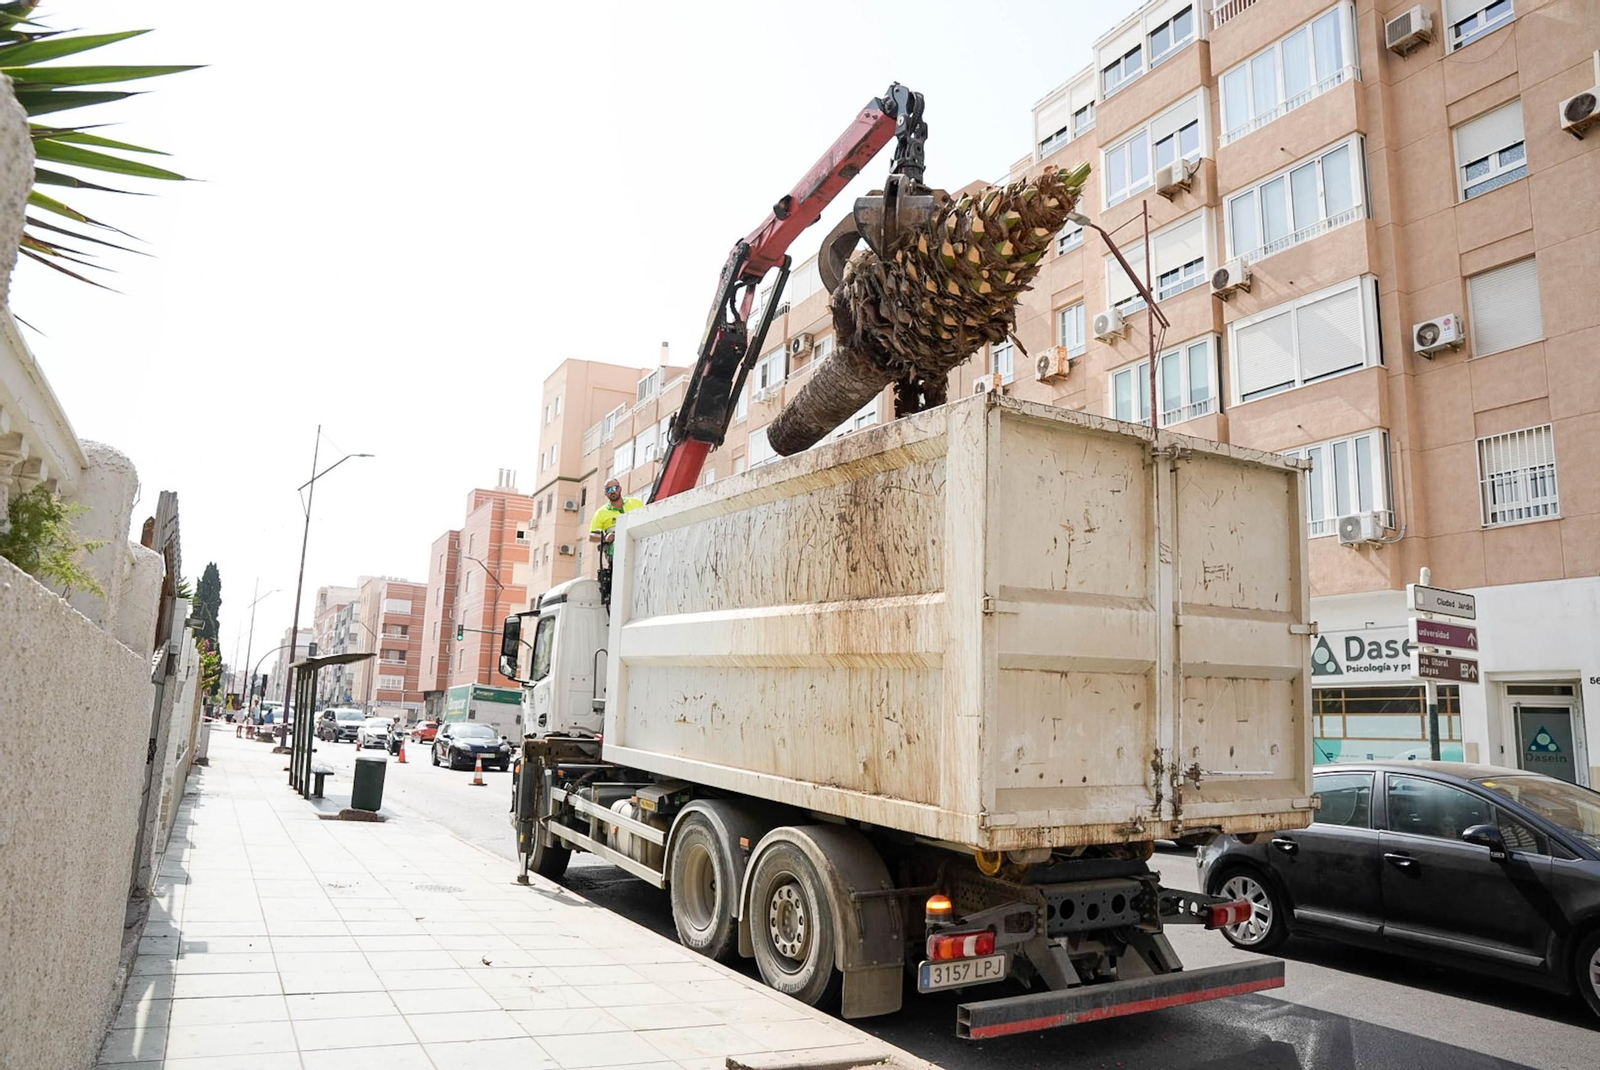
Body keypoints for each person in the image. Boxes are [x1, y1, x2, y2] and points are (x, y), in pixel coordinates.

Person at [589, 478, 644, 606]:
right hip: (616, 555)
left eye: (614, 488)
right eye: (609, 490)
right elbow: (591, 536)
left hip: (639, 548)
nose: (612, 492)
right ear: (605, 493)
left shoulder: (635, 503)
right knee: (619, 586)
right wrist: (605, 537)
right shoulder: (601, 513)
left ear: (620, 489)